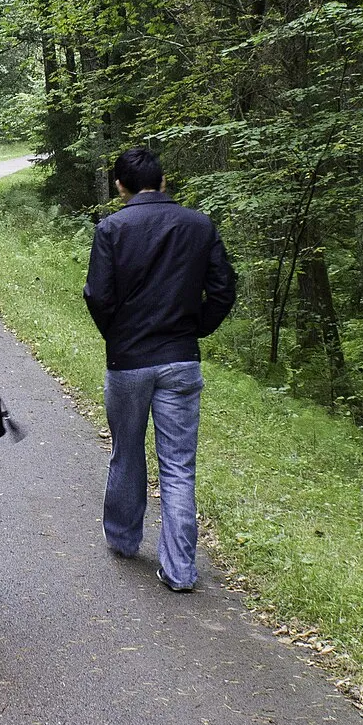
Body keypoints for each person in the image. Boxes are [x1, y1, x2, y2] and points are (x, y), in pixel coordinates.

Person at [82, 147, 237, 593]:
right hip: (181, 358)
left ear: (120, 186)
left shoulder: (111, 228)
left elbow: (98, 295)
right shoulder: (199, 224)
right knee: (179, 465)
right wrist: (195, 329)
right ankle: (180, 570)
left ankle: (124, 540)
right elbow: (224, 288)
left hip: (129, 361)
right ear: (164, 180)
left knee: (126, 450)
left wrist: (118, 335)